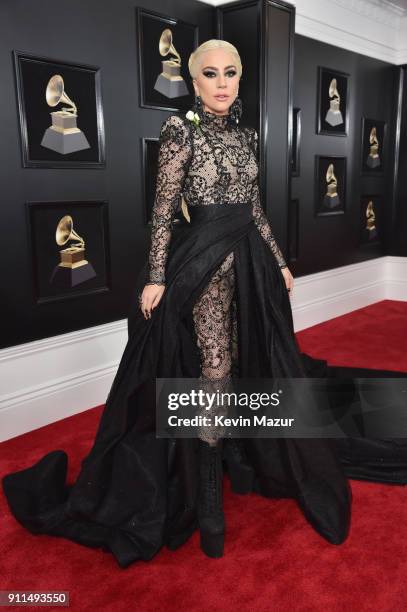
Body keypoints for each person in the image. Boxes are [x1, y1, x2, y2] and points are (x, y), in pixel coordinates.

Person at [2, 39, 351, 568]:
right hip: (203, 263)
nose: (222, 82)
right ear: (193, 81)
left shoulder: (245, 135)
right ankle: (209, 496)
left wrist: (279, 260)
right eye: (210, 73)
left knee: (243, 360)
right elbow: (163, 209)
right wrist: (158, 277)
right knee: (212, 368)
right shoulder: (178, 131)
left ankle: (237, 451)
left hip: (252, 263)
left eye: (231, 72)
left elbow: (255, 208)